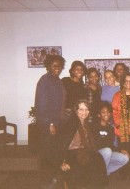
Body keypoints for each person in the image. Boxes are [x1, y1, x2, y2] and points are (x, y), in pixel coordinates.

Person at [59, 99, 108, 189]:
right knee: (88, 161)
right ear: (76, 110)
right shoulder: (72, 123)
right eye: (81, 109)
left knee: (97, 158)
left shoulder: (86, 123)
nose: (84, 112)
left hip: (83, 151)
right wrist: (63, 161)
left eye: (86, 109)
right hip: (71, 153)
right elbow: (62, 143)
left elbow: (92, 141)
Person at [34, 54, 66, 186]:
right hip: (48, 123)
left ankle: (52, 177)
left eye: (59, 65)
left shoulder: (56, 79)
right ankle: (46, 182)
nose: (57, 68)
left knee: (53, 151)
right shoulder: (45, 80)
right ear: (48, 66)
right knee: (47, 153)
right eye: (54, 65)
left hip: (56, 122)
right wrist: (50, 123)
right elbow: (41, 105)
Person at [92, 101, 129, 175]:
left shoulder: (110, 128)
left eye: (108, 112)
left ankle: (103, 173)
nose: (106, 114)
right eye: (103, 112)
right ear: (99, 115)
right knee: (107, 151)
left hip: (107, 152)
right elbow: (93, 145)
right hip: (96, 154)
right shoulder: (94, 127)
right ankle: (99, 174)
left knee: (125, 158)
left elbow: (110, 145)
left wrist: (120, 150)